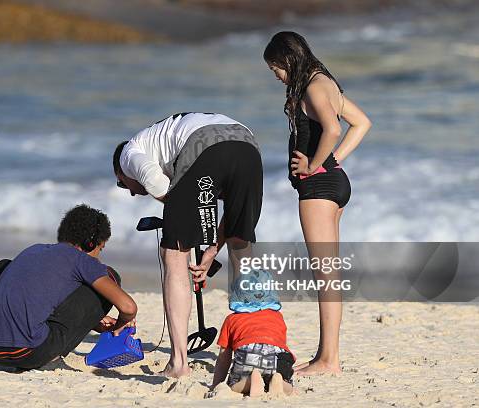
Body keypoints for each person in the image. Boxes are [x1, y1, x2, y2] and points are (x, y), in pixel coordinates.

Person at [113, 112, 263, 377]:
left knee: (173, 253)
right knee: (241, 244)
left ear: (121, 171)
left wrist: (185, 226)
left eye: (122, 184)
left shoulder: (129, 153)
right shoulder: (160, 141)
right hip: (247, 143)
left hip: (202, 145)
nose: (132, 192)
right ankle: (249, 349)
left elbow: (156, 183)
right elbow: (226, 213)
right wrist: (211, 249)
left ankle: (179, 364)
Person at [263, 31, 372, 376]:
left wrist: (315, 165)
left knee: (325, 276)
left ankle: (329, 361)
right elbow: (362, 122)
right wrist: (332, 162)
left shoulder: (311, 86)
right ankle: (327, 356)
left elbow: (333, 129)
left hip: (319, 191)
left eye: (276, 69)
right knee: (329, 274)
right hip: (333, 184)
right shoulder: (324, 82)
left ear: (288, 59)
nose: (276, 76)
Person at [0, 204, 137, 370]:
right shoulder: (81, 260)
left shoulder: (34, 250)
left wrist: (93, 322)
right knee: (110, 275)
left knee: (3, 266)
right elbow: (128, 308)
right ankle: (53, 356)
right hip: (29, 352)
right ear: (91, 244)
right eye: (100, 248)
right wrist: (120, 327)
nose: (99, 255)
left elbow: (42, 294)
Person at [211, 270, 295, 397]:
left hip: (247, 354)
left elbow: (224, 357)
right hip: (275, 355)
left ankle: (250, 381)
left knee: (234, 386)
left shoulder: (231, 319)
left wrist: (216, 384)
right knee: (288, 386)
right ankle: (279, 381)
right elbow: (281, 344)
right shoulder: (278, 317)